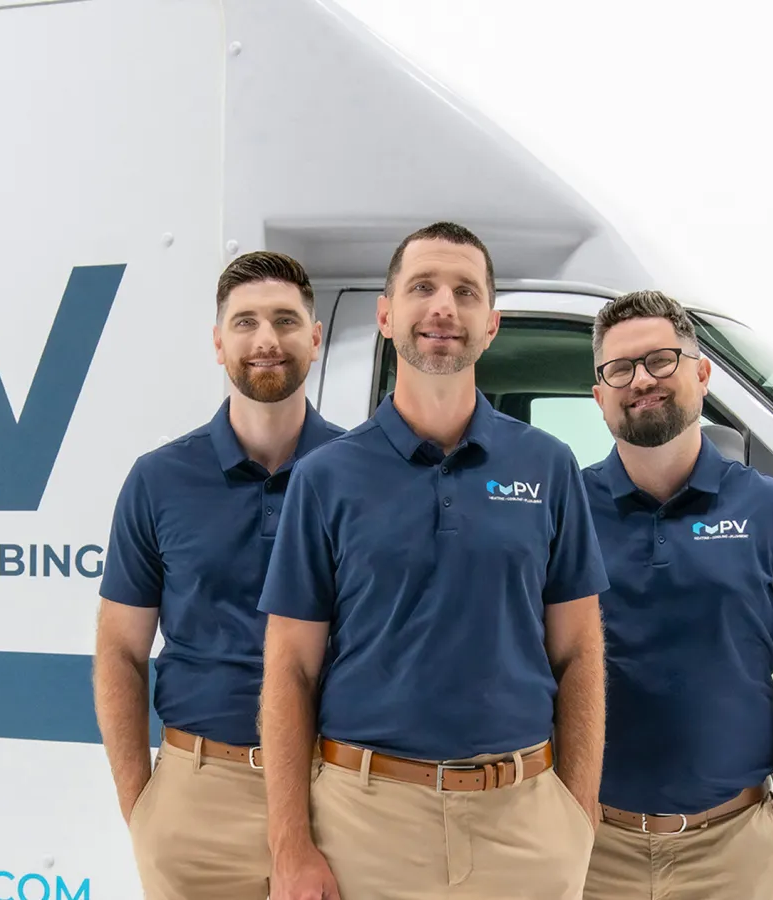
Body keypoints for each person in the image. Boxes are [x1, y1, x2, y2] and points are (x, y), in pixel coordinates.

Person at [258, 221, 610, 900]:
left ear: (491, 325)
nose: (444, 306)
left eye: (465, 292)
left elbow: (579, 651)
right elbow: (290, 667)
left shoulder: (549, 466)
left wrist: (577, 817)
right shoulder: (325, 477)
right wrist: (290, 844)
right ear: (386, 316)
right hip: (365, 825)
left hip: (524, 823)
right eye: (422, 287)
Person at [578, 290, 773, 899]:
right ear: (599, 397)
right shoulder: (563, 512)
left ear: (702, 374)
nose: (640, 380)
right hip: (592, 849)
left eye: (660, 360)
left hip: (732, 851)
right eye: (619, 369)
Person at [92, 250, 345, 900]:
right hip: (197, 796)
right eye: (245, 322)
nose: (266, 340)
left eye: (286, 321)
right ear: (217, 342)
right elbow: (120, 650)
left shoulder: (362, 475)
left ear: (315, 338)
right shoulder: (159, 480)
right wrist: (143, 810)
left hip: (337, 793)